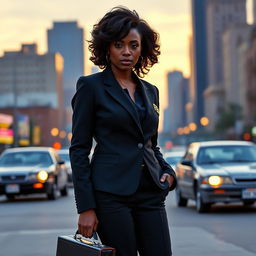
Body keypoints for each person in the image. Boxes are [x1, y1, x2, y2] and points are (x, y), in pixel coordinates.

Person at [69, 6, 177, 256]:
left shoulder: (151, 91)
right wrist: (85, 207)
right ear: (107, 47)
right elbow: (79, 149)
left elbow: (150, 144)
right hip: (111, 196)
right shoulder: (90, 87)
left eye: (134, 45)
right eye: (119, 44)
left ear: (143, 48)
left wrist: (168, 173)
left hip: (150, 193)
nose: (127, 51)